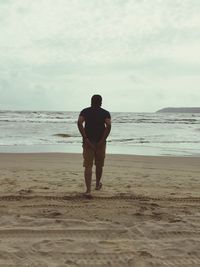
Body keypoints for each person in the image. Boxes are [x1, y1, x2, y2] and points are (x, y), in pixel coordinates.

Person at [77, 94, 111, 198]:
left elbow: (79, 122)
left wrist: (85, 138)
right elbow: (108, 125)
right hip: (100, 142)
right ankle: (97, 184)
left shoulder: (85, 111)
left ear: (91, 101)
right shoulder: (105, 113)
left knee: (88, 166)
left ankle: (88, 190)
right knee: (99, 165)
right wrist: (103, 139)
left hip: (88, 142)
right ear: (101, 102)